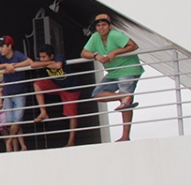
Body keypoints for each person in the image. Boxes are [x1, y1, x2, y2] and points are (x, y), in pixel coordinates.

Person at [81, 14, 144, 142]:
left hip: (128, 68)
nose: (101, 28)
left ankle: (125, 136)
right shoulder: (95, 37)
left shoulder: (116, 35)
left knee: (126, 104)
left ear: (109, 26)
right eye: (98, 25)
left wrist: (114, 52)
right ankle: (122, 96)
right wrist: (95, 56)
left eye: (104, 25)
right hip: (113, 72)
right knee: (97, 94)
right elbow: (83, 53)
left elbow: (133, 45)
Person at [30, 43, 81, 147]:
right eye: (41, 57)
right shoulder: (47, 60)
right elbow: (32, 65)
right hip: (57, 84)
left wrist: (45, 64)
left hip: (70, 88)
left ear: (52, 55)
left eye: (44, 57)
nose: (42, 59)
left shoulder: (58, 56)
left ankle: (71, 142)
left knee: (71, 114)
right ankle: (43, 112)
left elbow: (58, 66)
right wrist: (47, 63)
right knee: (37, 85)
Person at [0, 36, 31, 152]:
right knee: (10, 121)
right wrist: (5, 66)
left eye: (2, 46)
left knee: (17, 119)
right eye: (0, 47)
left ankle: (10, 141)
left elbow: (30, 61)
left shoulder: (17, 54)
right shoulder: (0, 57)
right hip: (8, 93)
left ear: (9, 46)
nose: (0, 49)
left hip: (19, 92)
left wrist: (14, 66)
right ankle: (15, 146)